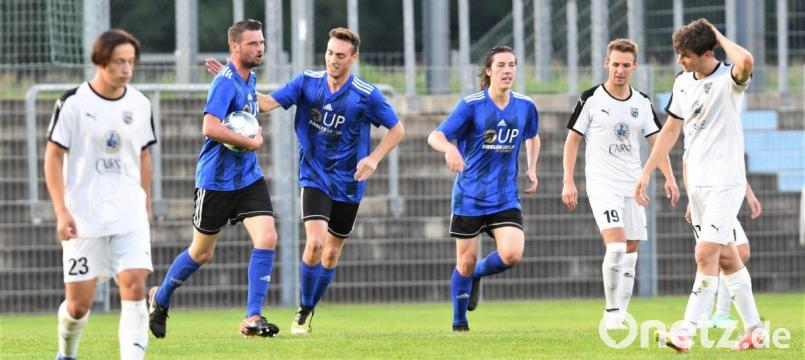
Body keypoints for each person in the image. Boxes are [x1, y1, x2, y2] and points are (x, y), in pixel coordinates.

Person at [207, 27, 404, 335]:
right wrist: (232, 82)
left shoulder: (367, 95)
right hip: (314, 176)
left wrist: (374, 158)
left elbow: (397, 130)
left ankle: (308, 307)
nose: (333, 60)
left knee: (331, 253)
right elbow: (268, 103)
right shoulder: (306, 82)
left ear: (354, 57)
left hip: (349, 183)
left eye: (340, 55)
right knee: (315, 242)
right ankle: (302, 311)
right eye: (329, 53)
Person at [635, 18, 765, 351]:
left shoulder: (729, 80)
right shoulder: (682, 82)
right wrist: (648, 171)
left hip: (726, 181)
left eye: (687, 55)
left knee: (704, 253)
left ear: (708, 52)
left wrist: (718, 34)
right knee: (726, 258)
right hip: (699, 184)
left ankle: (686, 331)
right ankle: (754, 330)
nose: (681, 61)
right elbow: (670, 131)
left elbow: (746, 61)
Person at [148, 19, 280, 339]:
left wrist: (298, 93)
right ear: (235, 47)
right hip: (216, 181)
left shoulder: (246, 78)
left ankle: (252, 317)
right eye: (252, 43)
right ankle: (160, 299)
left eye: (261, 42)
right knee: (202, 253)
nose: (260, 47)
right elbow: (210, 127)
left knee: (267, 238)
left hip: (248, 177)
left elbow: (252, 103)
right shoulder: (225, 82)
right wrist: (252, 141)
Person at [45, 29, 156, 360]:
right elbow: (53, 156)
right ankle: (66, 352)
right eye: (119, 62)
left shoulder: (140, 104)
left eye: (131, 62)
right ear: (101, 62)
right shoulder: (73, 103)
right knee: (79, 306)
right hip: (85, 216)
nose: (126, 69)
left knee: (135, 285)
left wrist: (145, 202)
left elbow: (144, 156)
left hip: (129, 213)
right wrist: (62, 211)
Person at [562, 39, 679, 330]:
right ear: (606, 64)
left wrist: (670, 177)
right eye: (615, 64)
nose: (620, 70)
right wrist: (568, 180)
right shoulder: (590, 98)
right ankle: (611, 311)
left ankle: (620, 315)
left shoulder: (642, 102)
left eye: (626, 65)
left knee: (630, 250)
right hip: (602, 184)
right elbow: (572, 140)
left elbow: (657, 142)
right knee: (615, 246)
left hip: (633, 185)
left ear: (634, 67)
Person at [427, 45, 540, 332]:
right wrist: (449, 150)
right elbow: (435, 135)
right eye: (501, 65)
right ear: (488, 71)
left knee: (512, 254)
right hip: (470, 197)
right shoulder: (471, 104)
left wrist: (531, 167)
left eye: (512, 65)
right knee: (464, 261)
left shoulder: (525, 105)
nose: (507, 70)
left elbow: (533, 136)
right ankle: (459, 322)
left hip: (504, 197)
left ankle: (477, 274)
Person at [681, 163, 762, 329]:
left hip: (723, 195)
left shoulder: (727, 139)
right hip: (707, 197)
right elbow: (687, 161)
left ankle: (719, 315)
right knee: (712, 255)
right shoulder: (693, 139)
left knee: (737, 252)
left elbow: (733, 162)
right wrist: (692, 198)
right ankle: (705, 318)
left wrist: (750, 194)